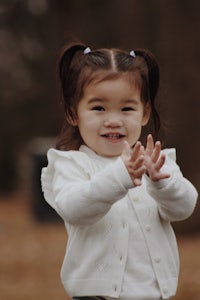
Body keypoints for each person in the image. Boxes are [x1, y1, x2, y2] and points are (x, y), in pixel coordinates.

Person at [41, 42, 198, 300]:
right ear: (73, 113)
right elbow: (73, 208)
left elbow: (184, 207)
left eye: (127, 108)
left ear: (145, 112)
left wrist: (162, 183)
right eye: (98, 108)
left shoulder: (155, 160)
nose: (113, 120)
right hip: (95, 295)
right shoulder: (71, 164)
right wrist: (120, 177)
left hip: (155, 294)